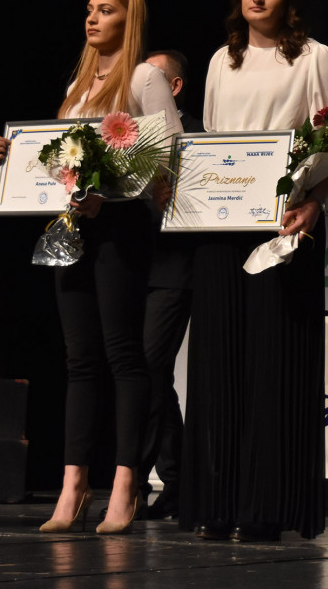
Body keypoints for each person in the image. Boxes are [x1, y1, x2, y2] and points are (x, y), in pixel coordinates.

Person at [0, 0, 182, 535]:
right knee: (79, 360)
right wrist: (11, 155)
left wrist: (112, 191)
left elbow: (169, 155)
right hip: (72, 225)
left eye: (106, 11)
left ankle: (125, 484)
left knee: (123, 355)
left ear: (129, 18)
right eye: (90, 11)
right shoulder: (79, 82)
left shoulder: (143, 78)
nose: (92, 19)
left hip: (119, 230)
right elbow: (55, 155)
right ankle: (73, 484)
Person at [179, 0, 328, 542]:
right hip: (221, 225)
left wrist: (314, 204)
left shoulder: (314, 57)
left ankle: (266, 508)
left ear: (287, 0)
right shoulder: (221, 61)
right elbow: (209, 141)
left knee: (274, 364)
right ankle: (218, 502)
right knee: (220, 362)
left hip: (284, 224)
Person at [137, 50, 201, 521]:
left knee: (149, 368)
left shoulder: (196, 136)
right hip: (128, 268)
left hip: (173, 269)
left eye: (153, 77)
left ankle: (143, 484)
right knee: (147, 374)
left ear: (173, 87)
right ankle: (173, 481)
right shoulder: (122, 134)